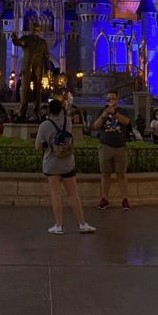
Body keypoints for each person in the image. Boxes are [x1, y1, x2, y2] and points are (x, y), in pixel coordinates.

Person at [36, 97, 95, 235]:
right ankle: (82, 223)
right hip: (67, 162)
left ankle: (59, 225)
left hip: (51, 163)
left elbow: (38, 145)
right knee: (73, 194)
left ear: (49, 111)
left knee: (56, 194)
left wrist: (48, 144)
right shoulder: (67, 122)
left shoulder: (44, 125)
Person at [93, 90, 131, 211]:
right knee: (105, 174)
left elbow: (126, 121)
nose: (111, 100)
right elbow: (96, 126)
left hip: (120, 146)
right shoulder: (102, 111)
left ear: (117, 99)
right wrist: (104, 115)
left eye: (113, 98)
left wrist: (114, 113)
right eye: (109, 98)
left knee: (121, 174)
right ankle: (105, 198)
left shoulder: (122, 111)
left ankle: (124, 199)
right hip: (106, 146)